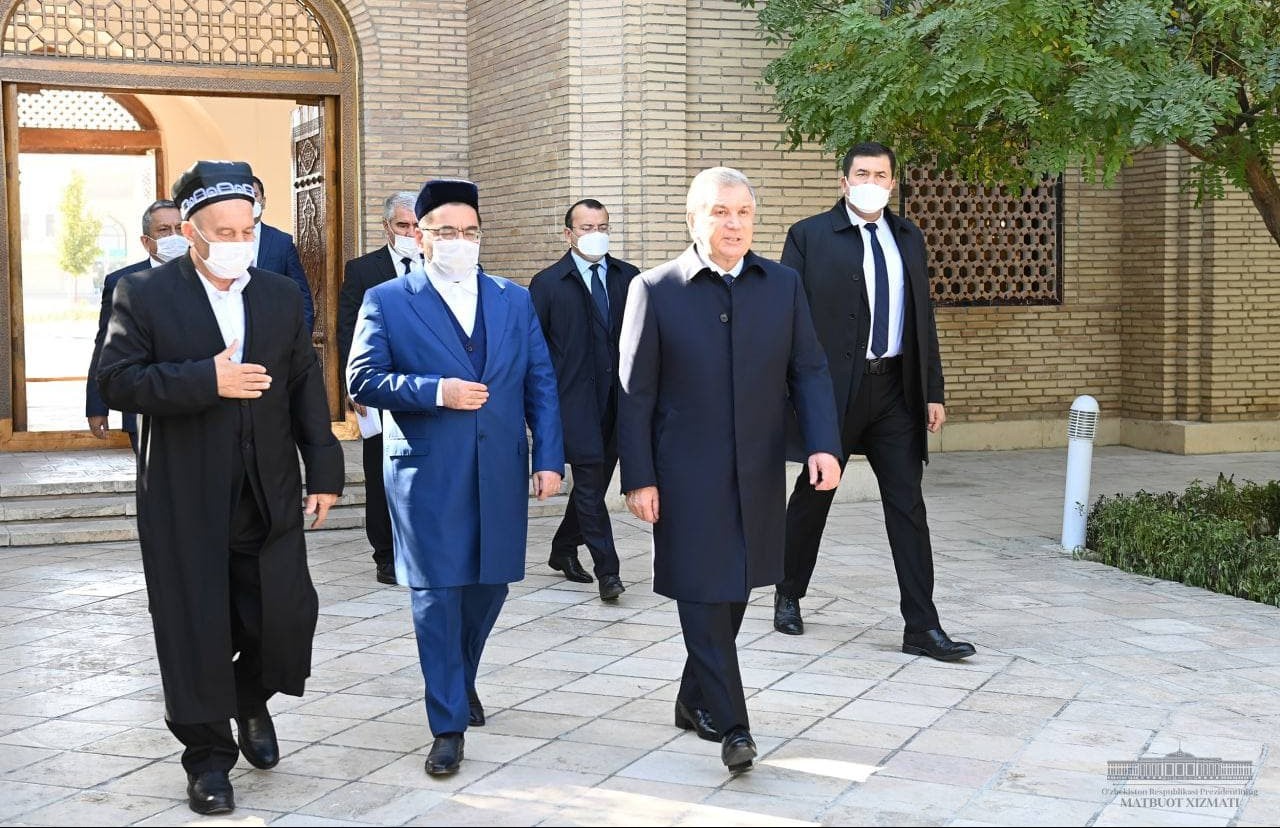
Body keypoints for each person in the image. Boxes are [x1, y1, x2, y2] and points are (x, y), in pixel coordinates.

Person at [97, 160, 344, 816]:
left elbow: (303, 385)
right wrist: (205, 380)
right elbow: (117, 381)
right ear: (192, 232)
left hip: (267, 489)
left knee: (286, 617)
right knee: (195, 628)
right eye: (224, 231)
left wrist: (323, 470)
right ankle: (207, 760)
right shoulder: (143, 294)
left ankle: (248, 696)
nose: (238, 241)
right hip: (184, 495)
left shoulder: (279, 296)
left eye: (248, 229)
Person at [618, 167, 842, 774]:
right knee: (702, 590)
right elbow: (634, 395)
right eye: (719, 212)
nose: (733, 224)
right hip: (683, 475)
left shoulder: (782, 284)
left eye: (743, 212)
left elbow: (810, 370)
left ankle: (693, 700)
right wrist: (638, 476)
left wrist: (823, 445)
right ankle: (734, 726)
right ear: (693, 218)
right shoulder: (654, 289)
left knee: (736, 588)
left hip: (757, 470)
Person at [347, 179, 563, 777]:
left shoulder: (512, 299)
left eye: (469, 232)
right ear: (420, 236)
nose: (458, 241)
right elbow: (362, 378)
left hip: (499, 468)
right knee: (437, 594)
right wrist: (436, 391)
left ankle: (458, 677)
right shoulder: (388, 299)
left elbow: (540, 381)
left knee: (491, 584)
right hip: (427, 470)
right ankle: (446, 724)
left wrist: (548, 456)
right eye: (445, 231)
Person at [773, 142, 976, 663]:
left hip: (894, 393)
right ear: (844, 182)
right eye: (861, 173)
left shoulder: (908, 236)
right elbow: (787, 320)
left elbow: (922, 318)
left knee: (908, 506)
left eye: (880, 175)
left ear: (892, 183)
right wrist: (794, 396)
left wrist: (933, 390)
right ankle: (788, 592)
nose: (871, 182)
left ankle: (922, 626)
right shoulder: (809, 236)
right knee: (814, 494)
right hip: (832, 393)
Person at [529, 199, 639, 600]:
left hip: (620, 403)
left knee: (594, 485)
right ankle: (608, 572)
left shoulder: (630, 278)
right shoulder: (547, 284)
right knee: (591, 485)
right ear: (568, 234)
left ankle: (562, 548)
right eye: (587, 228)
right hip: (573, 404)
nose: (596, 234)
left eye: (602, 227)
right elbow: (534, 352)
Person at [337, 190, 422, 585]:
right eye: (403, 225)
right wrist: (354, 383)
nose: (410, 232)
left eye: (417, 225)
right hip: (380, 387)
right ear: (387, 227)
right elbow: (348, 330)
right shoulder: (362, 270)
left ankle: (419, 548)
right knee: (381, 472)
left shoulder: (438, 266)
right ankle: (385, 555)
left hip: (428, 389)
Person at [85, 199, 187, 453]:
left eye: (179, 228)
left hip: (197, 402)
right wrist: (97, 406)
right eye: (163, 230)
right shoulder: (123, 282)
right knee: (153, 477)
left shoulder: (211, 278)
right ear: (146, 241)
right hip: (143, 405)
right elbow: (106, 346)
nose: (174, 236)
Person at [250, 176, 315, 333]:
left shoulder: (282, 243)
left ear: (263, 201)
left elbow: (301, 296)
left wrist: (302, 340)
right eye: (244, 197)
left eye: (254, 195)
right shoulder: (220, 242)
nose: (250, 202)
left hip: (273, 337)